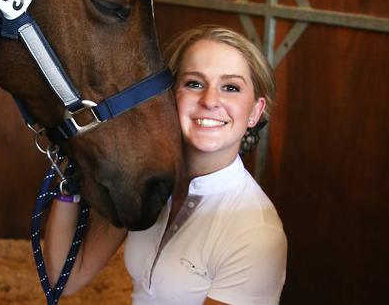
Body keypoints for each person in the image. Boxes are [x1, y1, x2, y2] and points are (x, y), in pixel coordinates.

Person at [44, 25, 287, 304]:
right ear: (170, 97)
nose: (210, 101)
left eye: (230, 87)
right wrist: (68, 181)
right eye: (194, 83)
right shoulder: (146, 181)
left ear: (255, 111)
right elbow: (67, 279)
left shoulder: (255, 233)